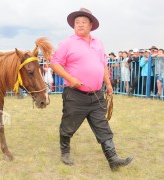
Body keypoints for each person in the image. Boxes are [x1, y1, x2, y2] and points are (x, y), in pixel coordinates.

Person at [50, 8, 132, 170]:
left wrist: (108, 85)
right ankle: (65, 151)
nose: (79, 25)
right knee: (68, 125)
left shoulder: (98, 43)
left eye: (83, 22)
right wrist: (70, 78)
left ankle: (112, 159)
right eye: (77, 22)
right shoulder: (67, 42)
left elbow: (103, 66)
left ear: (91, 25)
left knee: (102, 126)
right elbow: (55, 63)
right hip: (75, 95)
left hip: (96, 95)